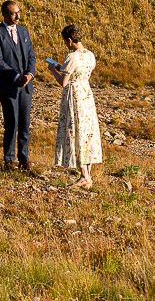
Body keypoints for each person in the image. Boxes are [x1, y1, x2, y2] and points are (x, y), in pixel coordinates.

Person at [49, 23, 102, 188]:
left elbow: (64, 82)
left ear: (70, 40)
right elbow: (78, 72)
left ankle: (84, 176)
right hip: (86, 93)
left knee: (76, 131)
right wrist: (62, 68)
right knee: (86, 132)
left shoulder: (71, 57)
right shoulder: (90, 55)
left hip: (74, 96)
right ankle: (87, 174)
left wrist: (53, 70)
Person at [0, 0, 36, 171]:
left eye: (19, 12)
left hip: (25, 85)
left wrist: (29, 75)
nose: (17, 16)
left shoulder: (24, 31)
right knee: (11, 122)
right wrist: (15, 77)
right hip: (8, 85)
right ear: (4, 14)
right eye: (13, 13)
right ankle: (9, 159)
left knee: (24, 122)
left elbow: (31, 55)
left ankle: (24, 158)